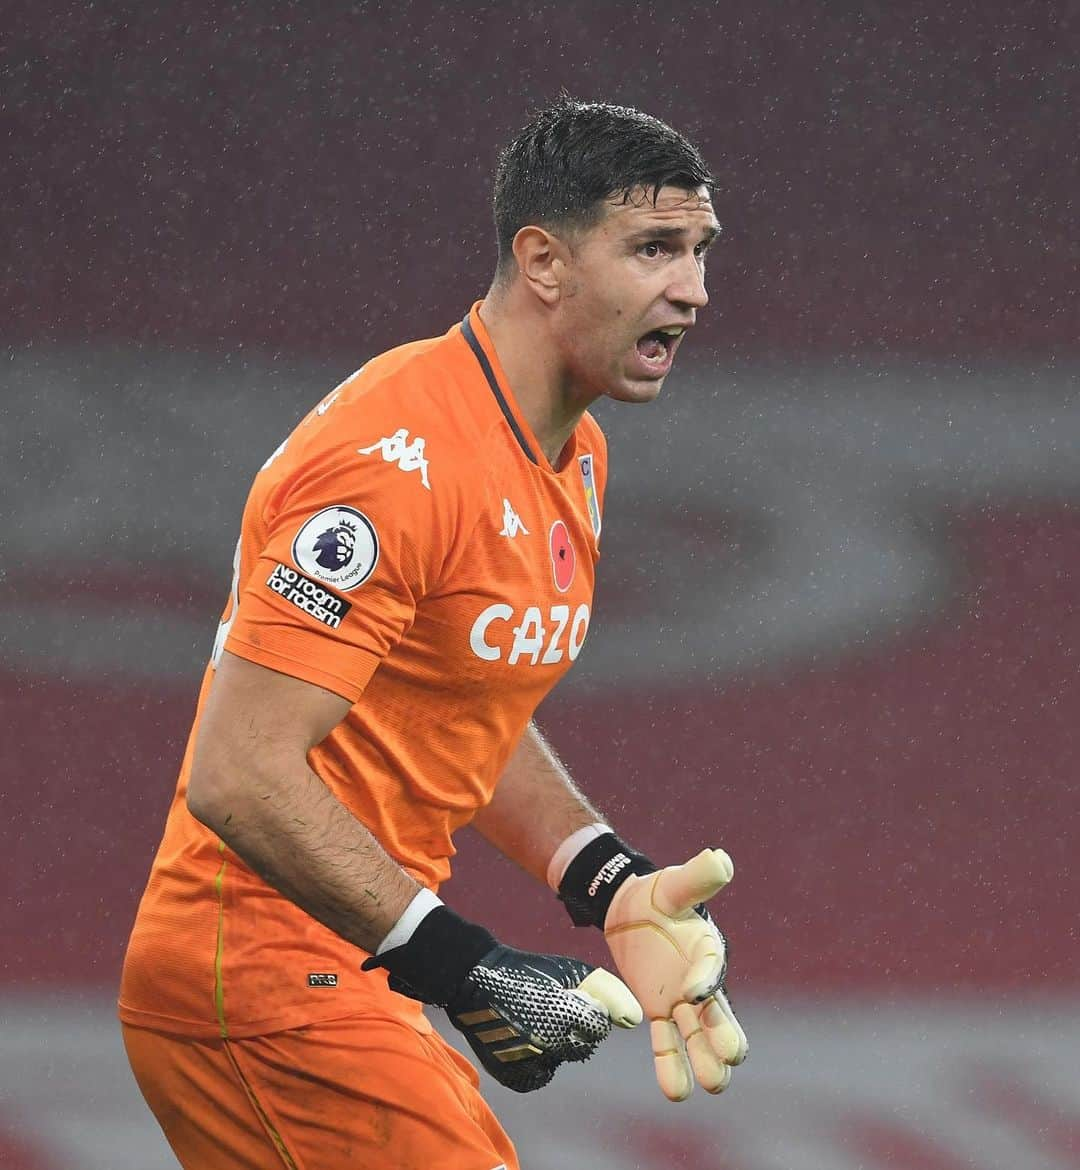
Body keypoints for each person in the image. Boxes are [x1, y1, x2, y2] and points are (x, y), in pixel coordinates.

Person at [119, 97, 748, 1170]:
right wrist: (460, 964)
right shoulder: (389, 461)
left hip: (344, 977)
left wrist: (606, 881)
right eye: (653, 249)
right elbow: (238, 773)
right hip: (263, 984)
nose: (692, 288)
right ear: (543, 261)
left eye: (699, 251)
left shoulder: (577, 453)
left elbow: (455, 701)